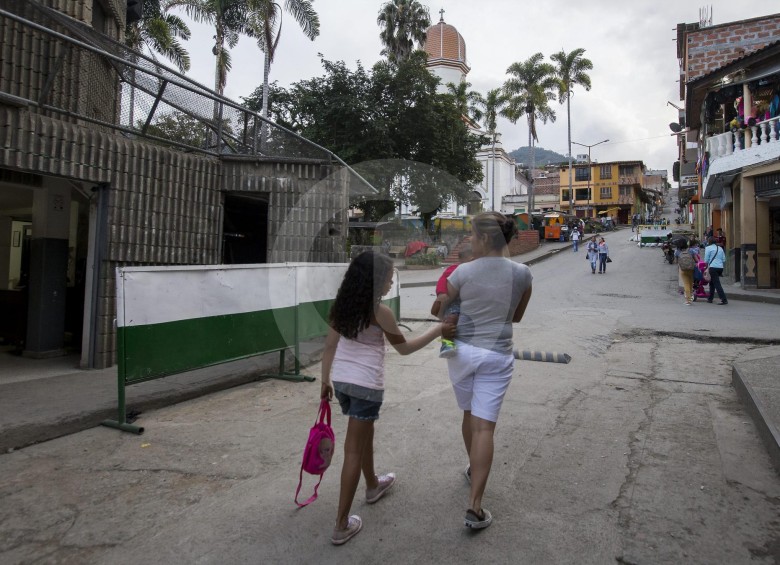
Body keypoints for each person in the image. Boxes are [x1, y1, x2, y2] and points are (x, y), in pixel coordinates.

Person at [320, 251, 455, 545]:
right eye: (388, 277)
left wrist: (324, 381)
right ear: (375, 280)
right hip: (366, 386)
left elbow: (330, 346)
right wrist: (438, 331)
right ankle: (341, 525)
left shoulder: (342, 305)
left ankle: (372, 485)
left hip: (342, 383)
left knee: (364, 433)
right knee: (354, 448)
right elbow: (404, 349)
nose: (391, 281)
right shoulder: (381, 312)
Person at [438, 212, 533, 530]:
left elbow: (441, 311)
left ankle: (472, 466)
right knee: (484, 429)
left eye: (471, 235)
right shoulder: (523, 274)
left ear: (482, 238)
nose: (469, 240)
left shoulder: (461, 273)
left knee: (468, 415)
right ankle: (475, 507)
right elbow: (516, 317)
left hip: (461, 353)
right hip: (496, 355)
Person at [431, 245, 473, 358]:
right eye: (472, 260)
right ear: (464, 260)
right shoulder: (455, 269)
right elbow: (442, 280)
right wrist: (442, 293)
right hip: (455, 303)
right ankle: (447, 345)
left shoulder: (478, 271)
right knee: (451, 320)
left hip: (469, 303)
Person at [704, 236, 728, 305]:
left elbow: (706, 259)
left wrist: (706, 268)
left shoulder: (708, 248)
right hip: (720, 268)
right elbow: (724, 259)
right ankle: (710, 298)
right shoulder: (720, 248)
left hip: (713, 267)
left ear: (709, 242)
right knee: (712, 283)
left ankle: (724, 299)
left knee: (717, 284)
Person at [677, 240, 697, 305]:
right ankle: (691, 297)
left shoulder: (677, 252)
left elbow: (676, 262)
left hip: (683, 270)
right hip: (691, 269)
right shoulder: (691, 250)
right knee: (691, 283)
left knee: (686, 284)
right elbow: (696, 260)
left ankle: (688, 300)